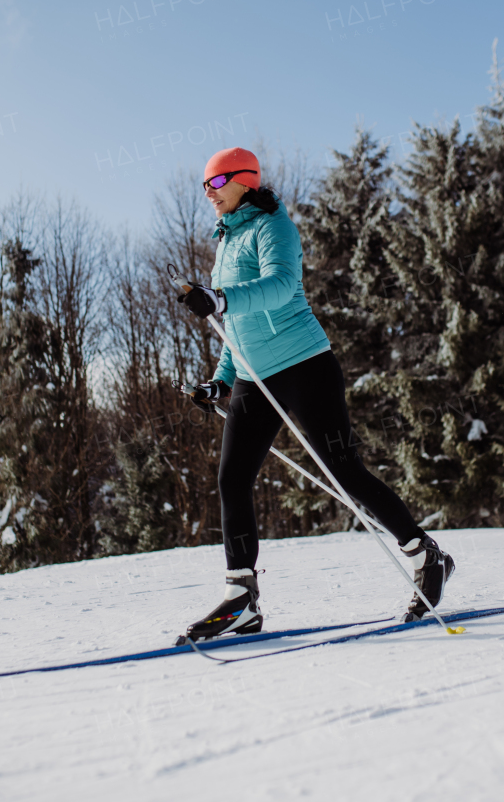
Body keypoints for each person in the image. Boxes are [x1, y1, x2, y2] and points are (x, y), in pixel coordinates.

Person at [174, 147, 455, 642]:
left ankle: (423, 553)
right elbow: (233, 325)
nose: (208, 195)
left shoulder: (272, 225)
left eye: (215, 184)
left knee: (344, 471)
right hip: (253, 378)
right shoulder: (225, 239)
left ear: (243, 181)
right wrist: (219, 380)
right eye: (205, 187)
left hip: (304, 364)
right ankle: (242, 598)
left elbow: (280, 287)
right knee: (232, 480)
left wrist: (219, 297)